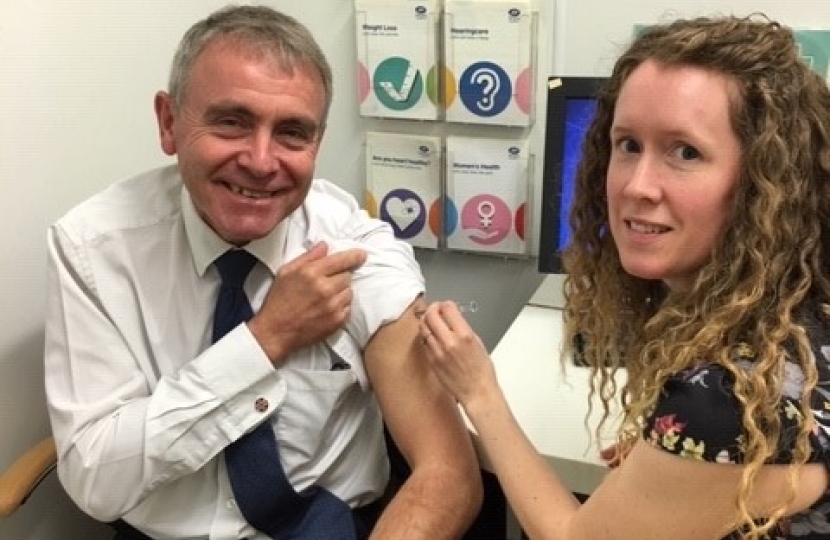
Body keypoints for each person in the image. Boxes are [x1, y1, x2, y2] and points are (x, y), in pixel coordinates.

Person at [44, 5, 482, 540]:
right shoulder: (93, 250)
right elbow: (97, 483)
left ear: (316, 143)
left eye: (292, 133)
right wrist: (265, 340)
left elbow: (448, 473)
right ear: (169, 123)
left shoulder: (355, 248)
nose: (260, 159)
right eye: (232, 122)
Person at [419, 14, 830, 540]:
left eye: (685, 152)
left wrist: (479, 392)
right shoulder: (793, 316)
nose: (637, 186)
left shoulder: (731, 395)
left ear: (764, 182)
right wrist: (670, 462)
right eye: (628, 144)